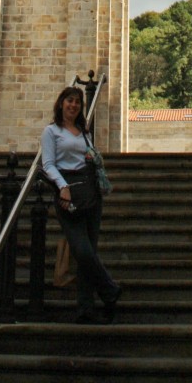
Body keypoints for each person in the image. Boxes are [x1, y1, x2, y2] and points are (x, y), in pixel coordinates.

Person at [41, 86, 121, 323]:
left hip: (90, 193)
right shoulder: (51, 131)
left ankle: (85, 308)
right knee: (82, 250)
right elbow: (47, 164)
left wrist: (92, 156)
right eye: (69, 101)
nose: (73, 105)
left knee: (90, 250)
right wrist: (62, 186)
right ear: (61, 103)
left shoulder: (84, 132)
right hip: (68, 195)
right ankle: (110, 290)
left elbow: (92, 157)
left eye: (77, 102)